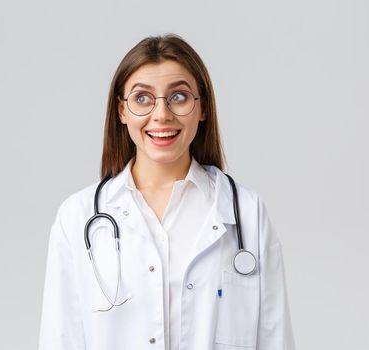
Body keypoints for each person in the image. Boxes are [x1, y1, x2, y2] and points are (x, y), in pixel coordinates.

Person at [37, 34, 295, 350]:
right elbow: (60, 339)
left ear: (202, 109)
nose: (161, 115)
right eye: (142, 98)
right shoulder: (77, 217)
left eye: (179, 97)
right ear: (122, 111)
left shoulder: (246, 211)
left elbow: (274, 338)